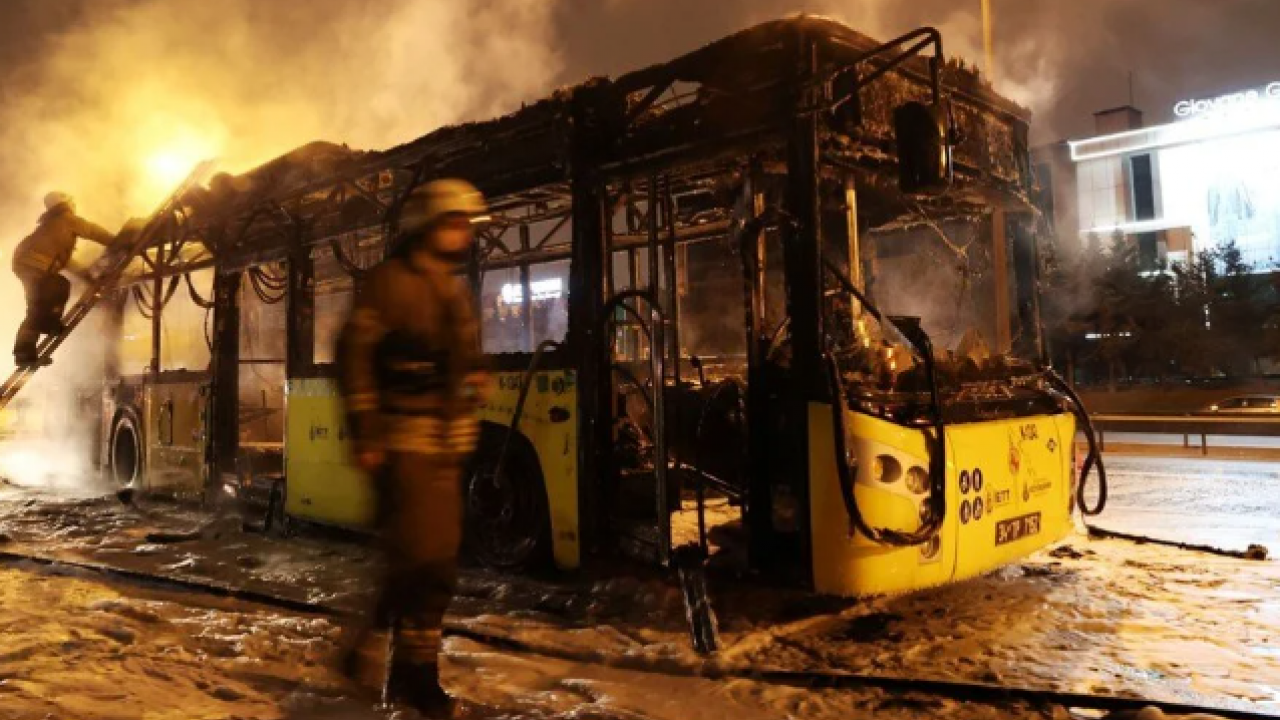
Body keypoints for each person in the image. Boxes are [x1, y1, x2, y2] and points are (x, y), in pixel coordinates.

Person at [335, 178, 491, 715]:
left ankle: (392, 663)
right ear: (428, 225)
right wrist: (367, 431)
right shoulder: (390, 284)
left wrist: (474, 375)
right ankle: (407, 672)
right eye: (455, 223)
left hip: (444, 442)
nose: (464, 234)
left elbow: (462, 355)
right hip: (404, 440)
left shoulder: (447, 286)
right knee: (423, 562)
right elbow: (354, 355)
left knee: (431, 563)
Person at [10, 192, 116, 365]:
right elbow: (93, 230)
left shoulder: (52, 226)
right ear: (66, 203)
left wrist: (87, 276)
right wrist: (117, 241)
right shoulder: (67, 218)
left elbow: (64, 261)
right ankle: (51, 322)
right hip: (33, 264)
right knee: (58, 286)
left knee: (36, 307)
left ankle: (24, 353)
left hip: (24, 263)